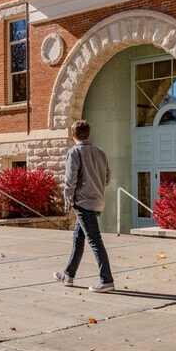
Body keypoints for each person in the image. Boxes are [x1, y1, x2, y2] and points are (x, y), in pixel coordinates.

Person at [54, 120, 115, 293]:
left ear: (73, 135)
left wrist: (69, 201)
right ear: (88, 133)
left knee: (95, 240)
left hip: (83, 203)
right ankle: (68, 275)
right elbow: (107, 178)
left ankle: (107, 280)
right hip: (97, 201)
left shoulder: (75, 152)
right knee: (78, 237)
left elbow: (70, 179)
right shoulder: (100, 152)